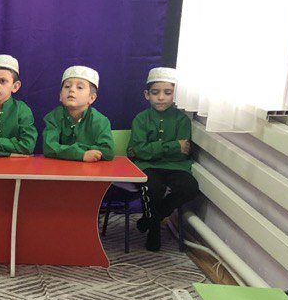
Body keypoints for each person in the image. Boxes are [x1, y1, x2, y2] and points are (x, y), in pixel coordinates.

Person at [128, 67, 198, 251]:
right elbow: (137, 151)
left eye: (167, 93)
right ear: (147, 95)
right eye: (155, 92)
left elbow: (183, 153)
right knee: (152, 188)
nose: (161, 97)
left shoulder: (182, 120)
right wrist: (172, 146)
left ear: (175, 95)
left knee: (189, 187)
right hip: (147, 166)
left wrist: (152, 149)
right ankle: (154, 230)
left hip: (176, 166)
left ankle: (151, 219)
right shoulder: (140, 119)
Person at [42, 65, 114, 162]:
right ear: (60, 95)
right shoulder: (53, 117)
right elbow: (49, 148)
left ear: (91, 98)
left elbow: (108, 151)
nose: (71, 90)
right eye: (67, 86)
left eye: (79, 87)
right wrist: (82, 154)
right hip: (60, 168)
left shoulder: (101, 121)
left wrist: (65, 150)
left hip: (90, 170)